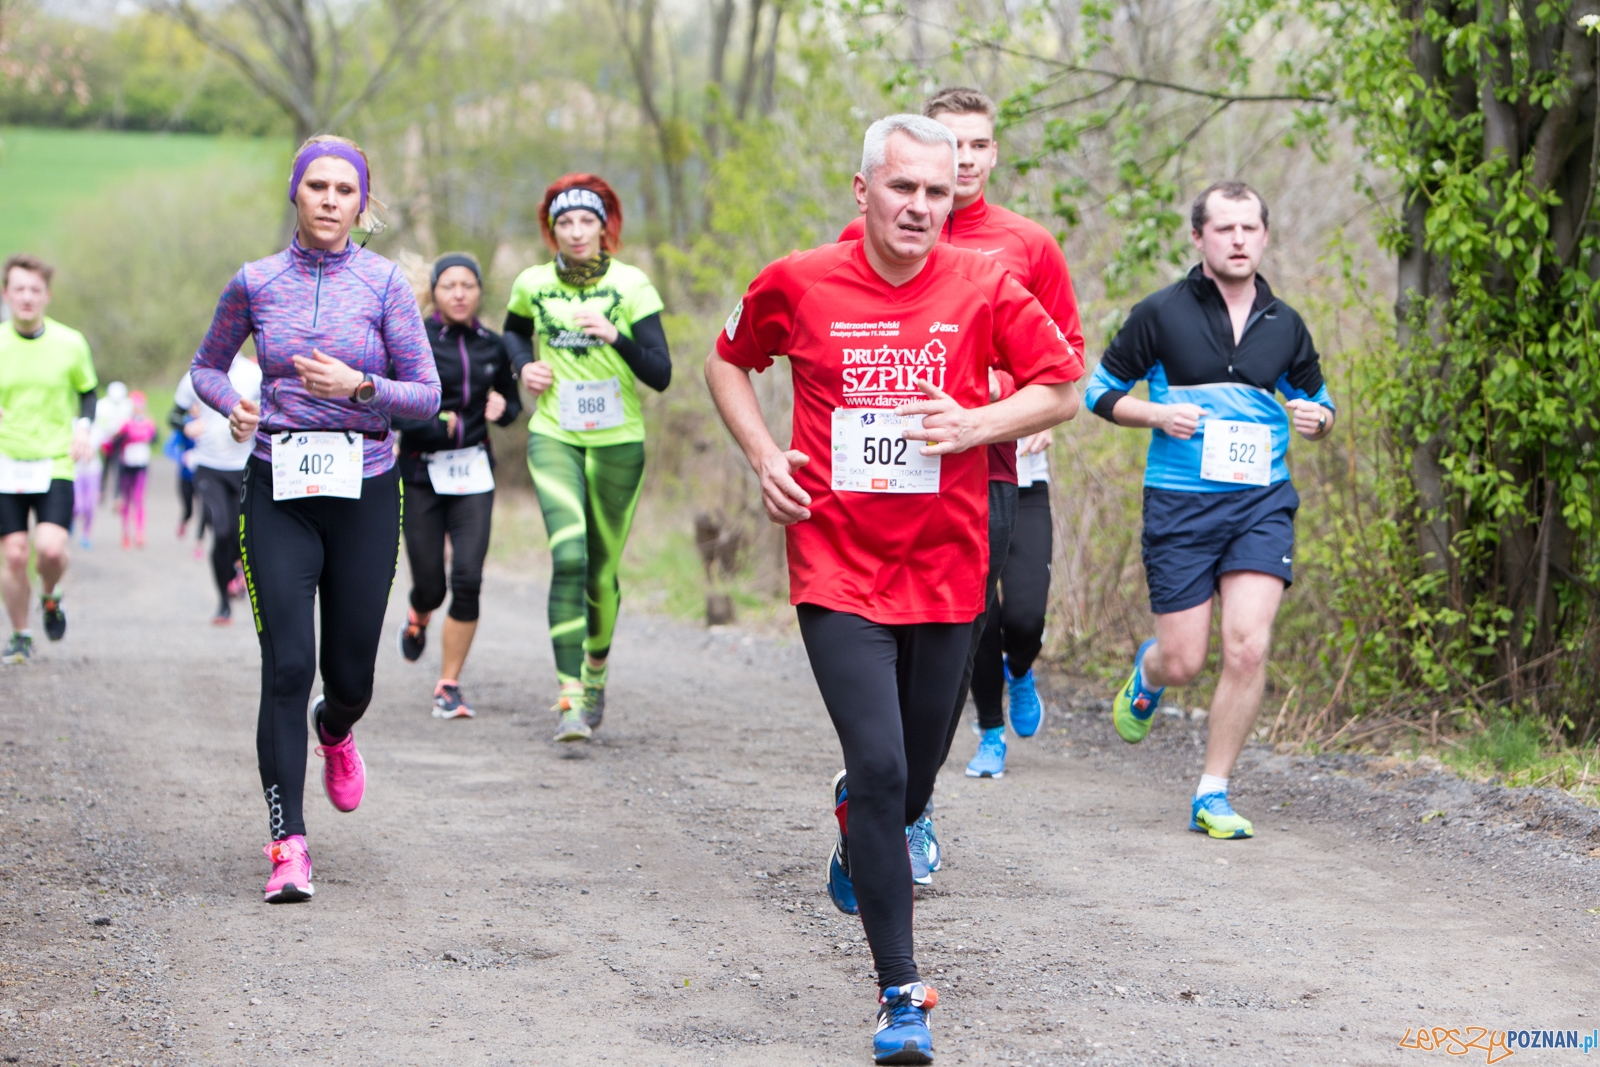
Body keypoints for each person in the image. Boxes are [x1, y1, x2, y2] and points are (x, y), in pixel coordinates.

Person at [706, 114, 1082, 1065]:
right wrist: (763, 453)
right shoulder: (798, 281)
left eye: (939, 190)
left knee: (909, 786)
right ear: (862, 190)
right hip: (835, 563)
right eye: (904, 187)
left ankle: (861, 825)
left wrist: (978, 421)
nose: (922, 205)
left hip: (949, 569)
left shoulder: (986, 282)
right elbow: (728, 361)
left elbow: (1063, 385)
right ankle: (900, 990)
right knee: (878, 768)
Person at [840, 87, 1085, 874]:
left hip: (991, 469)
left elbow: (1063, 357)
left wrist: (1014, 413)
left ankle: (908, 796)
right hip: (888, 476)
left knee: (965, 633)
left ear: (989, 154)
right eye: (949, 146)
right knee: (893, 649)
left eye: (977, 146)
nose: (964, 160)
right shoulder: (871, 237)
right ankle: (897, 793)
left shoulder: (1026, 244)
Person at [189, 134, 440, 903]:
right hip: (278, 484)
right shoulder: (256, 282)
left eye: (344, 190)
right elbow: (205, 366)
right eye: (317, 187)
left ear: (362, 203)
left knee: (350, 677)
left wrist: (360, 384)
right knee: (287, 666)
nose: (330, 200)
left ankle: (337, 729)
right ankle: (288, 845)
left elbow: (425, 395)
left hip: (365, 488)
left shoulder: (388, 285)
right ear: (295, 195)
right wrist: (234, 403)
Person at [1084, 181, 1335, 840]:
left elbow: (1318, 398)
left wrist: (1318, 418)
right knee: (1186, 660)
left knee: (1248, 648)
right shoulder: (1161, 313)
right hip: (1181, 508)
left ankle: (1212, 791)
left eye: (1249, 228)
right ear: (1199, 238)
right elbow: (1099, 392)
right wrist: (1156, 413)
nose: (1238, 240)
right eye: (1224, 229)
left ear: (1265, 235)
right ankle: (1150, 671)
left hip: (1260, 504)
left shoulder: (1285, 324)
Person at [503, 174, 672, 743]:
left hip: (618, 442)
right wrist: (519, 370)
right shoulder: (531, 283)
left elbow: (661, 373)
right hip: (554, 433)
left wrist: (615, 337)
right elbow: (511, 336)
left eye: (585, 221)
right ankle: (569, 696)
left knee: (600, 572)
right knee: (569, 557)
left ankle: (595, 675)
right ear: (551, 230)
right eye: (564, 223)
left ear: (605, 227)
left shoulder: (632, 285)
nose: (575, 232)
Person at [394, 252, 521, 718]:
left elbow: (511, 404)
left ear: (480, 291)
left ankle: (448, 685)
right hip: (421, 470)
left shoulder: (494, 344)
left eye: (468, 284)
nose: (460, 293)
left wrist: (502, 412)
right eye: (450, 285)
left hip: (473, 472)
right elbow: (392, 408)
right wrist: (432, 421)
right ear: (435, 292)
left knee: (467, 579)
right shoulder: (414, 338)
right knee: (431, 584)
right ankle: (419, 612)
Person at [0, 254, 98, 664]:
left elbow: (88, 391)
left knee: (51, 550)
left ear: (47, 296)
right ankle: (21, 634)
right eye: (19, 289)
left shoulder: (70, 342)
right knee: (15, 554)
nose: (26, 297)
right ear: (6, 294)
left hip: (55, 460)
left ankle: (50, 594)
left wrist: (83, 429)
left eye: (34, 290)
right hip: (7, 459)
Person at [969, 428, 1055, 777]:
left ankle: (1018, 669)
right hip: (963, 485)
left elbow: (1056, 385)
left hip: (1026, 481)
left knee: (1027, 616)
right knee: (980, 617)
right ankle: (991, 732)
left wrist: (1046, 417)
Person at [174, 346, 260, 625]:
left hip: (244, 464)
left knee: (239, 536)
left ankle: (235, 567)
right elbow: (173, 416)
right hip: (208, 465)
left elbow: (273, 408)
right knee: (221, 530)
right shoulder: (197, 374)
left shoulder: (253, 373)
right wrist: (186, 425)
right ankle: (223, 602)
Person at [108, 391, 156, 548]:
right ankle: (126, 534)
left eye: (140, 406)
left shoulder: (149, 423)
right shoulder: (125, 424)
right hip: (126, 466)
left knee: (139, 500)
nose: (138, 408)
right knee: (126, 501)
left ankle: (140, 533)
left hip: (141, 467)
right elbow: (114, 444)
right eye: (135, 406)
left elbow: (155, 439)